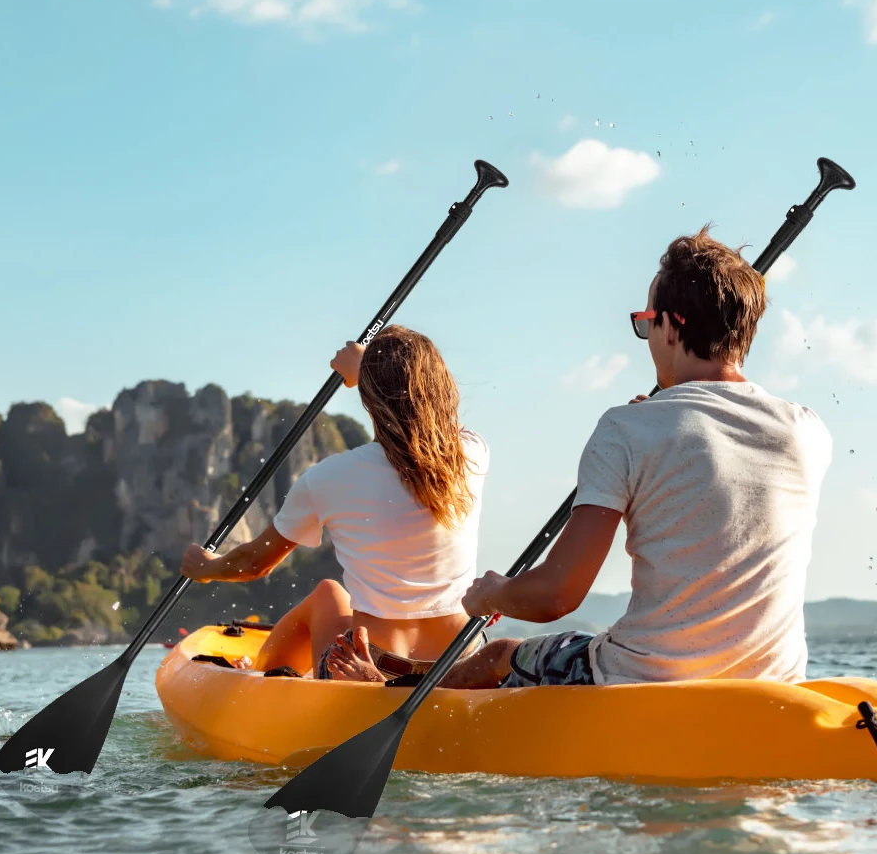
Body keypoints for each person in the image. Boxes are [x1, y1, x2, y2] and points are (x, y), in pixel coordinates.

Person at [329, 226, 831, 688]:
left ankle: (389, 691)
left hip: (638, 676)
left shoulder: (626, 429)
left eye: (645, 324)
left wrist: (493, 594)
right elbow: (717, 489)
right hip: (772, 682)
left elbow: (556, 595)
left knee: (501, 654)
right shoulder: (807, 430)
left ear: (672, 327)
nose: (648, 341)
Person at [180, 325, 489, 681]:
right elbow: (425, 420)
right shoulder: (473, 454)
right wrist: (368, 371)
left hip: (370, 663)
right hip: (462, 661)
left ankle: (265, 685)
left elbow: (253, 564)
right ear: (442, 385)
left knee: (327, 594)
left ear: (370, 394)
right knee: (334, 597)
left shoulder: (327, 478)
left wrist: (206, 568)